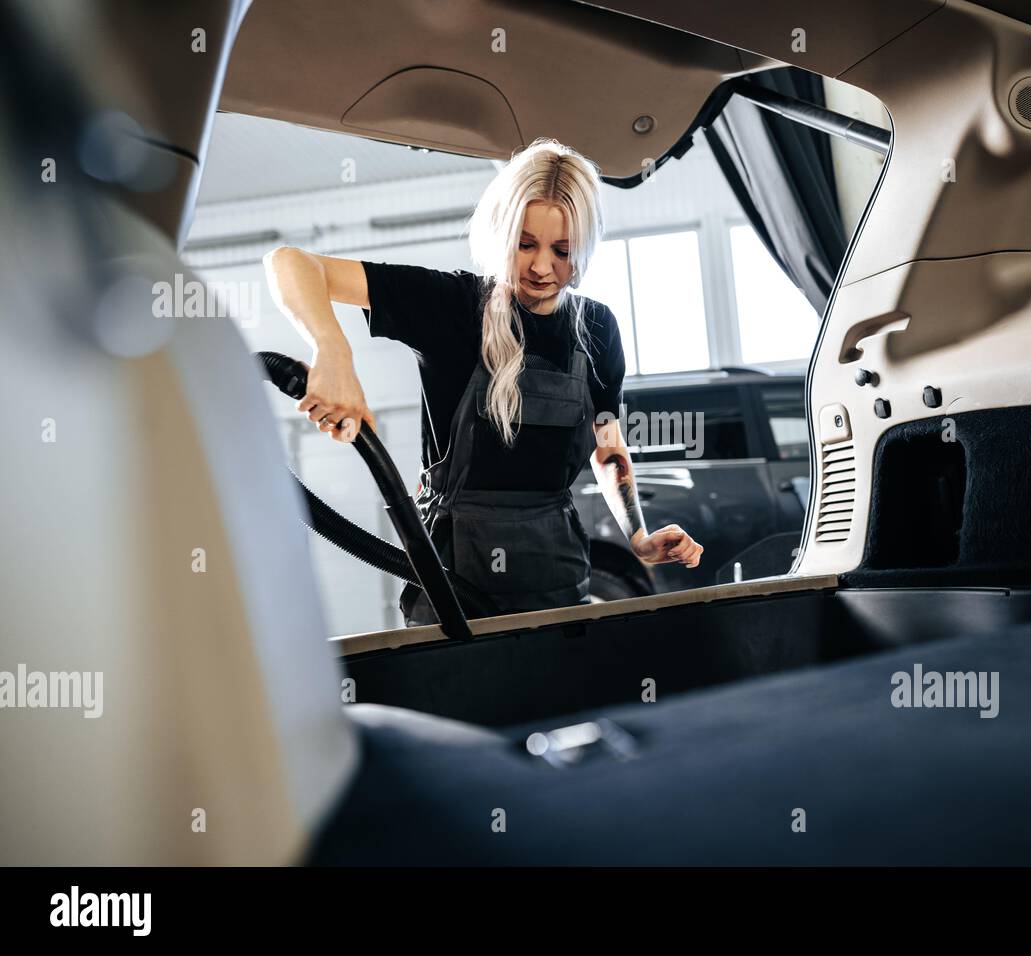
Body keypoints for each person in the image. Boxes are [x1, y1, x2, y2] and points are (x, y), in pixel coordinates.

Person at [264, 138, 703, 624]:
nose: (541, 267)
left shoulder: (597, 327)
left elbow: (608, 447)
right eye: (525, 243)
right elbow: (290, 263)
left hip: (555, 579)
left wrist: (638, 538)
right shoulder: (452, 305)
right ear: (501, 233)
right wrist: (333, 351)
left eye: (562, 250)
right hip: (450, 583)